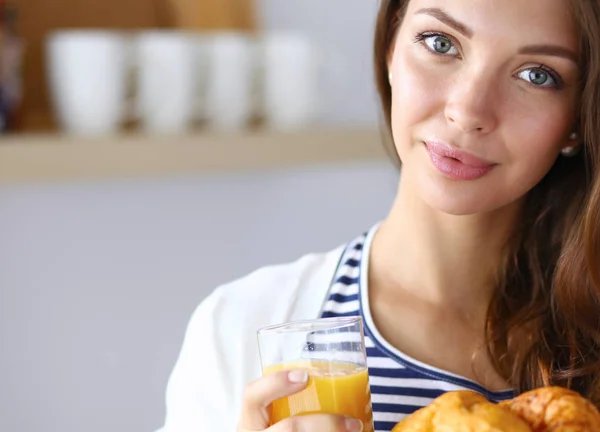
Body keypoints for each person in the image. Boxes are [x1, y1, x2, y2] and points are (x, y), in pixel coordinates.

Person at [158, 0, 600, 431]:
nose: (467, 112)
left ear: (577, 118)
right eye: (440, 43)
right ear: (391, 49)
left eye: (536, 75)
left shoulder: (590, 333)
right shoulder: (244, 324)